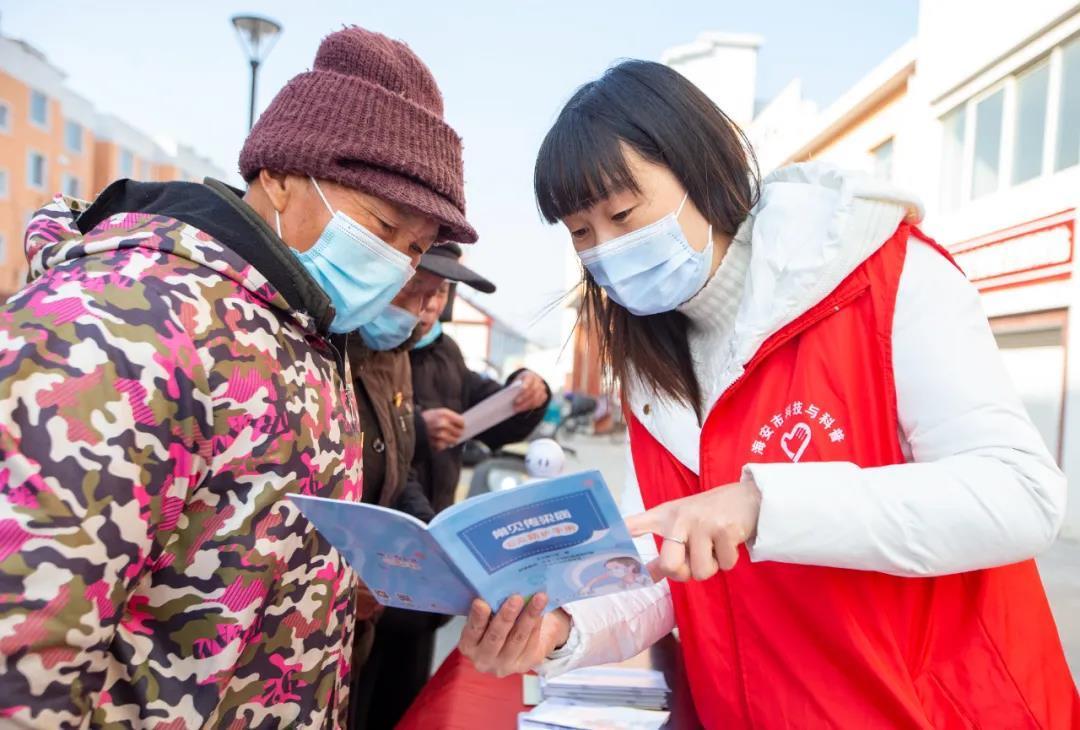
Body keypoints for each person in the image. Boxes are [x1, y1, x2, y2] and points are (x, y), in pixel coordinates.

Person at [457, 60, 1079, 728]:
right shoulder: (651, 370)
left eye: (623, 213)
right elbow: (671, 566)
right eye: (582, 233)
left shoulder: (887, 279)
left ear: (700, 169)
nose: (608, 250)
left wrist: (764, 502)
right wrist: (562, 628)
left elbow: (1020, 495)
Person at [0, 26, 476, 728]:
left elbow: (228, 550)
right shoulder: (114, 324)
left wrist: (342, 589)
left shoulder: (303, 337)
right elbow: (24, 654)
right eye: (382, 227)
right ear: (281, 176)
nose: (398, 266)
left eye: (416, 250)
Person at [351, 244, 552, 730]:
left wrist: (529, 392)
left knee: (404, 702)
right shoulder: (354, 346)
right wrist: (417, 430)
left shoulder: (445, 353)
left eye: (439, 293)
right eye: (416, 290)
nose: (427, 306)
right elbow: (370, 452)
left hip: (425, 565)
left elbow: (496, 414)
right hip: (370, 575)